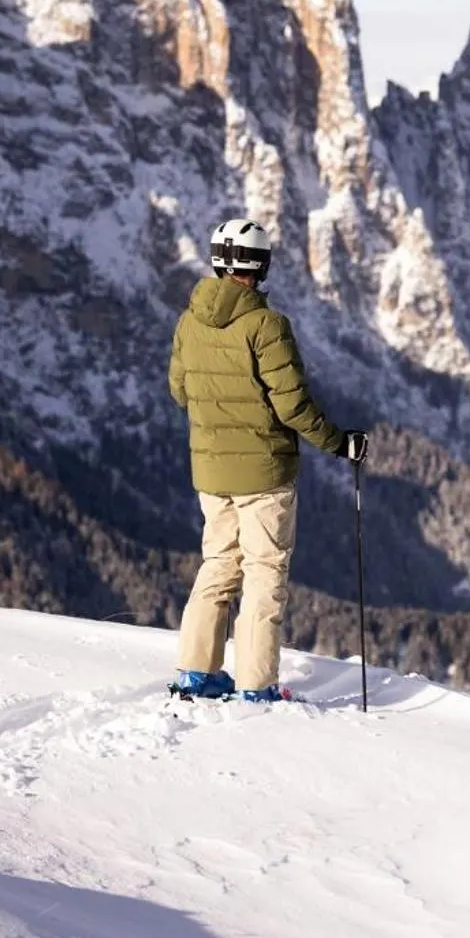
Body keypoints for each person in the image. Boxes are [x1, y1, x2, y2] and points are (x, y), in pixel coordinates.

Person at [168, 218, 367, 701]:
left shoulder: (189, 319)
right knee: (263, 573)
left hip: (210, 472)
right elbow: (292, 406)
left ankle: (197, 673)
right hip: (264, 475)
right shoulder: (267, 325)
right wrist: (342, 443)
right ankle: (256, 686)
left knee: (218, 564)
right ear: (261, 265)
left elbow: (180, 391)